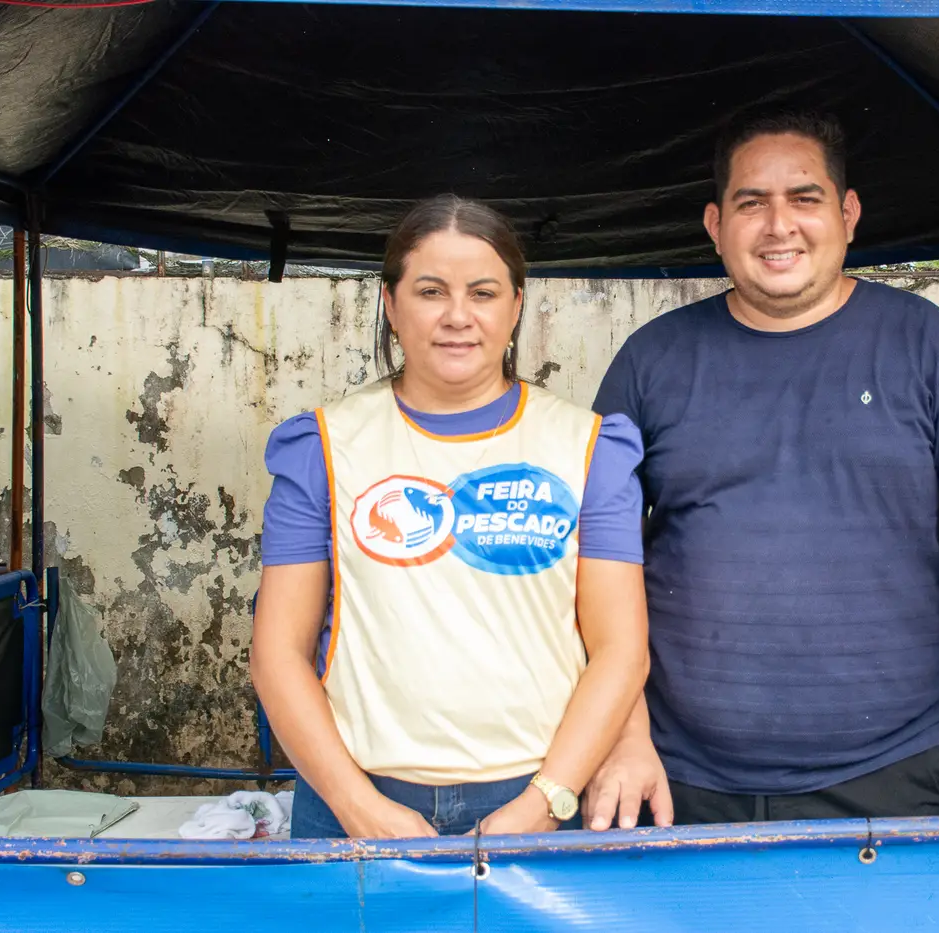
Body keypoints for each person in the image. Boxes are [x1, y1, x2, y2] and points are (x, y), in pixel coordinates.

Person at [584, 111, 939, 882]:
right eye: (752, 202)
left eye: (805, 198)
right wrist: (622, 738)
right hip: (672, 780)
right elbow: (597, 577)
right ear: (715, 225)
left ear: (848, 214)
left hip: (893, 776)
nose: (778, 225)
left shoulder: (932, 350)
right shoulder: (649, 362)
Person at [251, 195, 650, 839]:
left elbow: (620, 650)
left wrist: (546, 800)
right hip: (354, 794)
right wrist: (357, 806)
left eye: (483, 293)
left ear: (516, 305)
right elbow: (277, 653)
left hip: (538, 795)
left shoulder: (588, 447)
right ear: (391, 304)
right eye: (431, 291)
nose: (458, 316)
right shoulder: (322, 446)